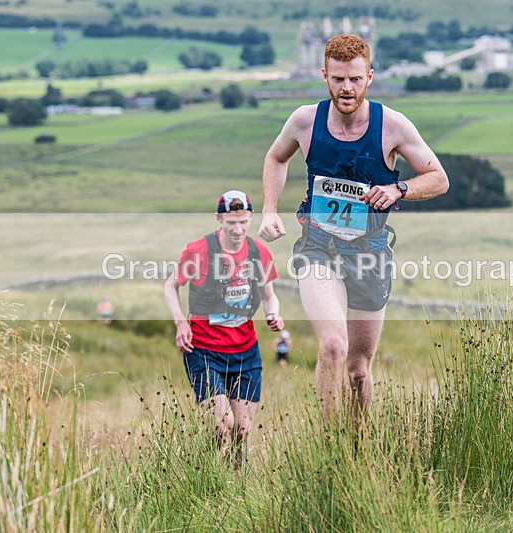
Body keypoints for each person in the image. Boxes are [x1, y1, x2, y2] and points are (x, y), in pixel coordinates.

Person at [258, 34, 449, 423]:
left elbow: (438, 178)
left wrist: (399, 188)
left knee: (359, 369)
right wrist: (269, 209)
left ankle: (358, 446)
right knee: (331, 347)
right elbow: (276, 157)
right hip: (319, 248)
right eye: (339, 79)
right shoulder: (305, 121)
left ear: (370, 77)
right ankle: (332, 452)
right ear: (325, 75)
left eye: (355, 80)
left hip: (370, 254)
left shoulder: (392, 125)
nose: (347, 88)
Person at [164, 190, 284, 467]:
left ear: (251, 217)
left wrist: (273, 314)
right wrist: (181, 322)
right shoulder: (199, 250)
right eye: (231, 222)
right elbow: (171, 286)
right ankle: (210, 469)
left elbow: (269, 296)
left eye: (243, 221)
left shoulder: (259, 252)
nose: (238, 229)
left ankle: (236, 475)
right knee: (222, 424)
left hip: (245, 351)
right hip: (204, 349)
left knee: (242, 427)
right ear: (219, 219)